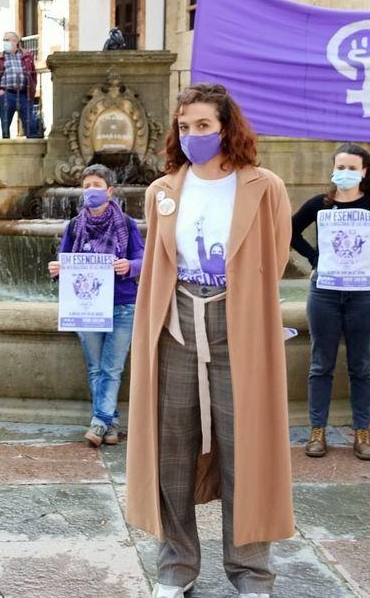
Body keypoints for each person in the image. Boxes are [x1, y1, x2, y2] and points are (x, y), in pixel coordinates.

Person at [125, 84, 293, 597]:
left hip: (237, 325)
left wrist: (241, 305)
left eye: (203, 125)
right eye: (184, 126)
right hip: (174, 326)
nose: (193, 135)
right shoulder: (162, 192)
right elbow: (159, 262)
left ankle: (251, 575)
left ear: (226, 127)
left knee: (247, 449)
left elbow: (277, 255)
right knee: (171, 450)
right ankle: (176, 571)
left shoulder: (264, 187)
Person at [291, 144, 370, 461]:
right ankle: (317, 432)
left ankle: (362, 434)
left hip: (362, 295)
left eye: (351, 168)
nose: (344, 172)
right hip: (324, 293)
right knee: (320, 365)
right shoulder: (320, 205)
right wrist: (314, 258)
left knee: (361, 366)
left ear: (364, 172)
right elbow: (291, 231)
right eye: (339, 167)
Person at [47, 164, 144, 447]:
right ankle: (110, 424)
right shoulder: (75, 226)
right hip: (86, 307)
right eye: (87, 186)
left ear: (110, 191)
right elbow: (63, 259)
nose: (91, 191)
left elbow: (143, 259)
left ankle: (99, 422)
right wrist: (56, 268)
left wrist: (130, 265)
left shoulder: (126, 224)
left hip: (123, 305)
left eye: (97, 186)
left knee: (111, 368)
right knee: (96, 368)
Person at [0, 31, 37, 139]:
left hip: (24, 94)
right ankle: (6, 148)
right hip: (7, 94)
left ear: (15, 41)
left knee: (30, 123)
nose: (4, 42)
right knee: (5, 125)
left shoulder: (26, 55)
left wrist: (32, 89)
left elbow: (33, 75)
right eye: (4, 40)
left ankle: (33, 147)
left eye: (7, 40)